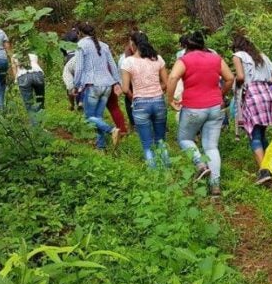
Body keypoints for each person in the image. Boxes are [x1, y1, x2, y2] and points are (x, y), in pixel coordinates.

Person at [167, 32, 234, 197]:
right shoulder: (215, 58)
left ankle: (200, 165)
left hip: (193, 107)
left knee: (184, 139)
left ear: (186, 46)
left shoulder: (184, 60)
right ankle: (216, 188)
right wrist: (220, 93)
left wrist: (170, 99)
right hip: (215, 107)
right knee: (211, 146)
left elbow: (173, 77)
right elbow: (230, 78)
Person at [231, 34, 272, 184]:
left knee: (254, 135)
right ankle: (270, 168)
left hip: (252, 95)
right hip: (267, 95)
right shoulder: (262, 56)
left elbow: (240, 77)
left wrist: (236, 83)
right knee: (262, 134)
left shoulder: (238, 55)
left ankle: (264, 171)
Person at [121, 31, 169, 168]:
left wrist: (135, 96)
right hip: (159, 102)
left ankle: (153, 175)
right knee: (160, 140)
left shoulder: (128, 62)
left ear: (132, 44)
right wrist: (156, 92)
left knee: (147, 144)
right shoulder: (158, 59)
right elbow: (166, 83)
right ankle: (167, 169)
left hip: (140, 104)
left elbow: (125, 89)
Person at [73, 23, 122, 150]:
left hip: (92, 85)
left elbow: (78, 68)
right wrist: (116, 82)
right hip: (107, 85)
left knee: (88, 118)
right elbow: (112, 64)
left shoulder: (80, 45)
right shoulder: (104, 45)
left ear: (80, 33)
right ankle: (101, 147)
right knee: (97, 117)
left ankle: (111, 130)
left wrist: (76, 85)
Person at [9, 51, 45, 125]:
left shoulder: (14, 56)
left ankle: (35, 126)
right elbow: (39, 64)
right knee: (40, 100)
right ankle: (40, 121)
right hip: (37, 74)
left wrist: (16, 80)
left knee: (29, 103)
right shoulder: (34, 53)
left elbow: (14, 68)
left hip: (23, 76)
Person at [61, 28, 82, 111]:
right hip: (79, 61)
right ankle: (80, 102)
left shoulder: (65, 41)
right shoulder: (80, 42)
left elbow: (64, 53)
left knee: (70, 84)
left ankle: (72, 105)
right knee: (80, 83)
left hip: (68, 60)